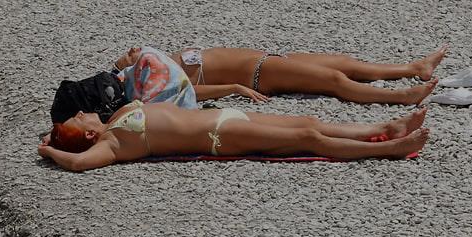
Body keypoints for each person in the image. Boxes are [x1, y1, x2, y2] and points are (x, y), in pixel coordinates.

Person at [39, 102, 431, 172]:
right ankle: (390, 150)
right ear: (88, 133)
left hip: (224, 116)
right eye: (77, 118)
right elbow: (77, 163)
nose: (80, 111)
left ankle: (383, 129)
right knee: (308, 138)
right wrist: (50, 151)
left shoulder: (117, 118)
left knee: (307, 121)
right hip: (218, 135)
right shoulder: (111, 144)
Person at [112, 45, 447, 106]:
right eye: (127, 55)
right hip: (260, 71)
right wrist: (234, 87)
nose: (133, 50)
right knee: (334, 81)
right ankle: (400, 97)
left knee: (343, 63)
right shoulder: (150, 82)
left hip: (266, 58)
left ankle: (414, 68)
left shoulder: (154, 65)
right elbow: (188, 92)